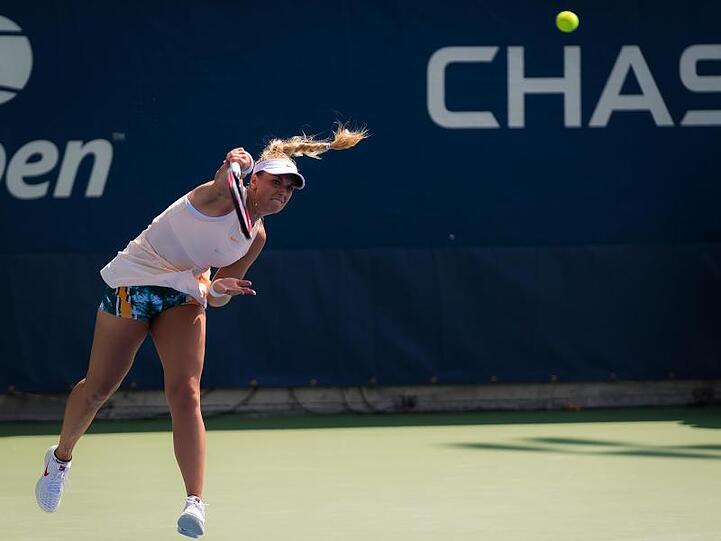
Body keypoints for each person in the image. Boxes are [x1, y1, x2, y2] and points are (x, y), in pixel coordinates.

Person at [34, 125, 367, 537]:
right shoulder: (220, 196)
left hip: (186, 291)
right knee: (99, 387)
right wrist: (233, 162)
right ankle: (60, 458)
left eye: (289, 188)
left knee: (186, 392)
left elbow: (216, 291)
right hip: (134, 280)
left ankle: (194, 501)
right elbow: (223, 180)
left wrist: (220, 289)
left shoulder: (256, 236)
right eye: (275, 182)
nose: (282, 192)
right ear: (254, 180)